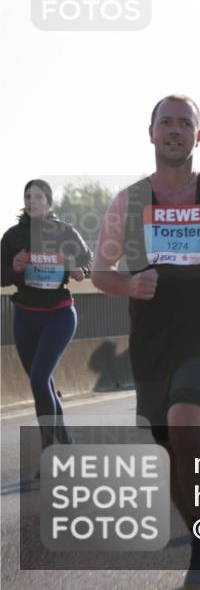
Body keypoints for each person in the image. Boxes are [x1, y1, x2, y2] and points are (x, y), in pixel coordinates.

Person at [92, 95, 200, 587]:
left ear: (198, 137)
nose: (175, 130)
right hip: (151, 340)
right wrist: (129, 285)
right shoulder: (129, 200)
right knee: (165, 449)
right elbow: (102, 270)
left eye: (185, 123)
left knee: (186, 425)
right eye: (166, 122)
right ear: (151, 133)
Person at [2, 179, 92, 450]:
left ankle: (49, 448)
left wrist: (80, 272)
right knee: (42, 384)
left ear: (49, 202)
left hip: (59, 315)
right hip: (25, 317)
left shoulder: (65, 232)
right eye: (27, 196)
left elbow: (86, 260)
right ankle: (64, 441)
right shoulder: (13, 236)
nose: (31, 201)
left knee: (40, 378)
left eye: (38, 196)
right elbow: (1, 276)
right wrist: (15, 268)